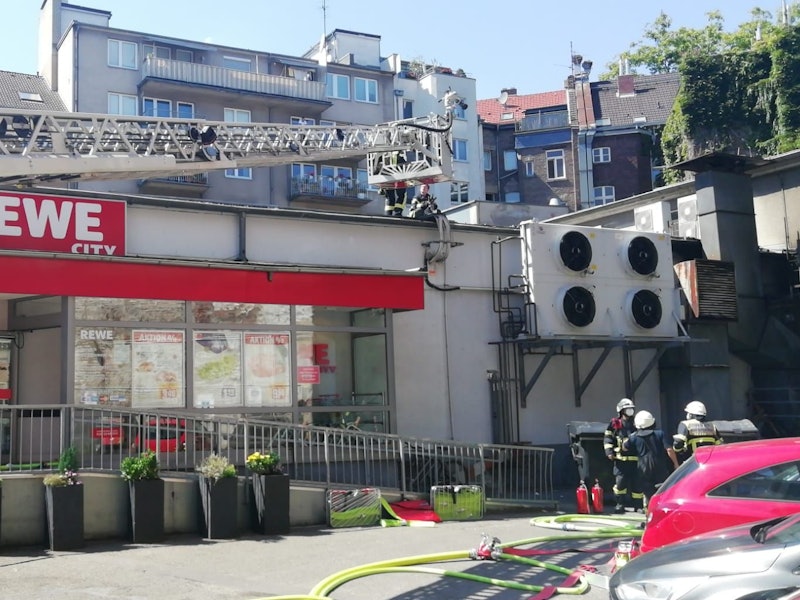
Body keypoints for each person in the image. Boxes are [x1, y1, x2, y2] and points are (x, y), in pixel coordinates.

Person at [625, 410, 678, 509]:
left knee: (648, 492)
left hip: (643, 467)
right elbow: (669, 450)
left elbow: (625, 447)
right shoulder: (660, 434)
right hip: (659, 465)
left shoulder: (634, 437)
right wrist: (676, 464)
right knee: (662, 490)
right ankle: (662, 510)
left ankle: (649, 512)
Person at [603, 398, 641, 514]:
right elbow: (608, 438)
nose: (630, 411)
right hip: (620, 461)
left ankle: (638, 506)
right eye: (627, 409)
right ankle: (620, 504)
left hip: (636, 460)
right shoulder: (615, 424)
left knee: (637, 484)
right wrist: (609, 452)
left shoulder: (637, 423)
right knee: (620, 484)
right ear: (621, 410)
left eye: (631, 409)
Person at [673, 400, 722, 464]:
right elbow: (720, 445)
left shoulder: (685, 424)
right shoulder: (712, 426)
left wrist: (681, 451)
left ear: (691, 415)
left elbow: (678, 443)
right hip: (710, 462)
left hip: (693, 463)